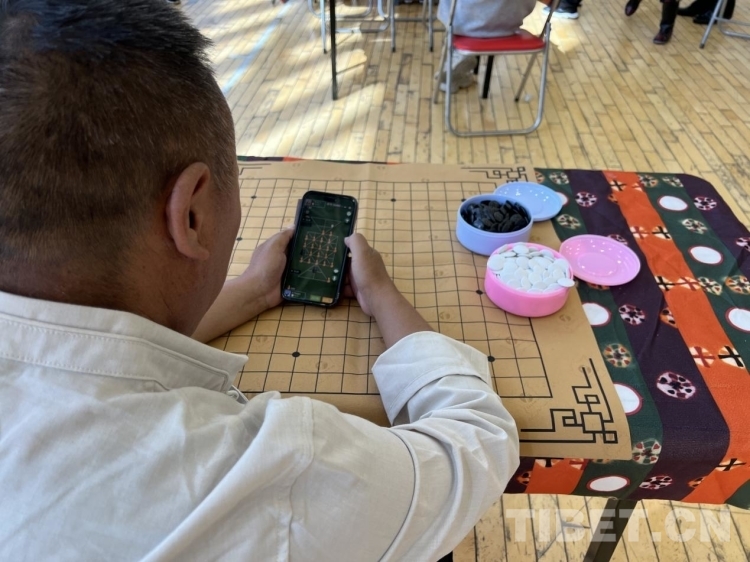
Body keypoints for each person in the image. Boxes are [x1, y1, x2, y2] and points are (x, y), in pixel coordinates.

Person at [0, 1, 520, 560]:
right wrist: (382, 294)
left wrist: (254, 289)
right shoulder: (269, 478)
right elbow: (476, 442)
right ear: (191, 214)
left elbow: (93, 353)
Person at [436, 0, 538, 92]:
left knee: (453, 13)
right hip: (510, 23)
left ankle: (454, 53)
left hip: (464, 22)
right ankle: (456, 64)